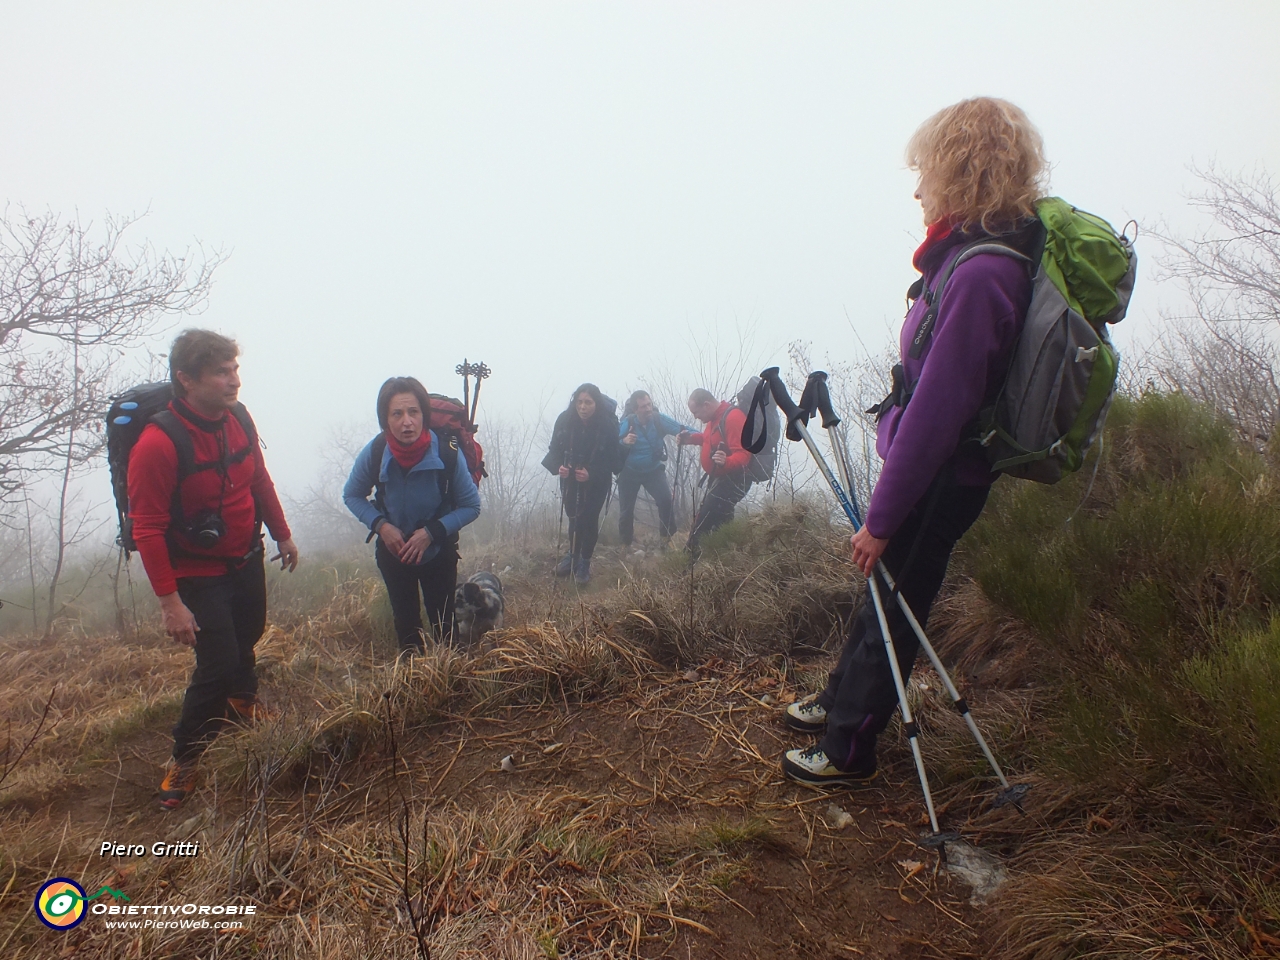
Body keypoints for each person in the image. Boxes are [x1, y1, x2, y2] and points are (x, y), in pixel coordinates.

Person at [782, 97, 1044, 786]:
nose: (918, 185)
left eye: (926, 170)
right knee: (883, 597)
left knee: (895, 614)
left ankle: (848, 750)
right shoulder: (966, 258)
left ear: (962, 169)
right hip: (929, 468)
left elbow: (937, 411)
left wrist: (881, 519)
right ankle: (838, 702)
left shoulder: (983, 273)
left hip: (940, 475)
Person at [127, 329, 299, 811]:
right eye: (221, 373)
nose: (233, 381)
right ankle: (185, 755)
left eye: (234, 370)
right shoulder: (158, 445)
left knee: (250, 632)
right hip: (196, 572)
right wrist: (170, 604)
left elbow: (257, 477)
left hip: (245, 554)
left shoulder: (238, 418)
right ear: (186, 380)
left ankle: (243, 700)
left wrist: (281, 533)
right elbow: (148, 529)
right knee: (217, 661)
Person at [344, 376, 481, 655]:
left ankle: (450, 681)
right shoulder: (376, 452)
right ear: (385, 420)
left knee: (444, 626)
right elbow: (352, 495)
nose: (406, 421)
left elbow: (471, 506)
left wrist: (431, 533)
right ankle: (413, 684)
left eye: (413, 412)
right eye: (397, 413)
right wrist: (381, 526)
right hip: (393, 553)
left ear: (424, 416)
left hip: (438, 553)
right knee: (406, 626)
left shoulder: (447, 454)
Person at [542, 383, 620, 584]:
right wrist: (559, 466)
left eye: (588, 402)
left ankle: (584, 562)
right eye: (579, 402)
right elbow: (554, 448)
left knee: (589, 518)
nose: (583, 407)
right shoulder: (565, 420)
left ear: (597, 403)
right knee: (574, 517)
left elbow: (614, 459)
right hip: (569, 478)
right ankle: (572, 556)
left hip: (597, 481)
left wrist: (591, 473)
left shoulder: (608, 425)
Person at [616, 390, 693, 548]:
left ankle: (667, 538)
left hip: (653, 470)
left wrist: (704, 437)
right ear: (635, 409)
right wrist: (624, 441)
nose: (648, 408)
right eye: (643, 406)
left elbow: (682, 429)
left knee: (665, 501)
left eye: (649, 404)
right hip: (629, 471)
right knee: (626, 509)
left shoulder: (658, 419)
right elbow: (612, 443)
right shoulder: (628, 423)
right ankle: (626, 543)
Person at [679, 388, 750, 558]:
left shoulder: (733, 418)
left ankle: (687, 564)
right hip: (722, 478)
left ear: (706, 405)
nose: (695, 417)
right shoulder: (713, 419)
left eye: (696, 412)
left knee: (703, 522)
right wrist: (690, 439)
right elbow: (708, 440)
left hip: (734, 480)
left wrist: (727, 462)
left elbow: (744, 454)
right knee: (721, 522)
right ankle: (726, 559)